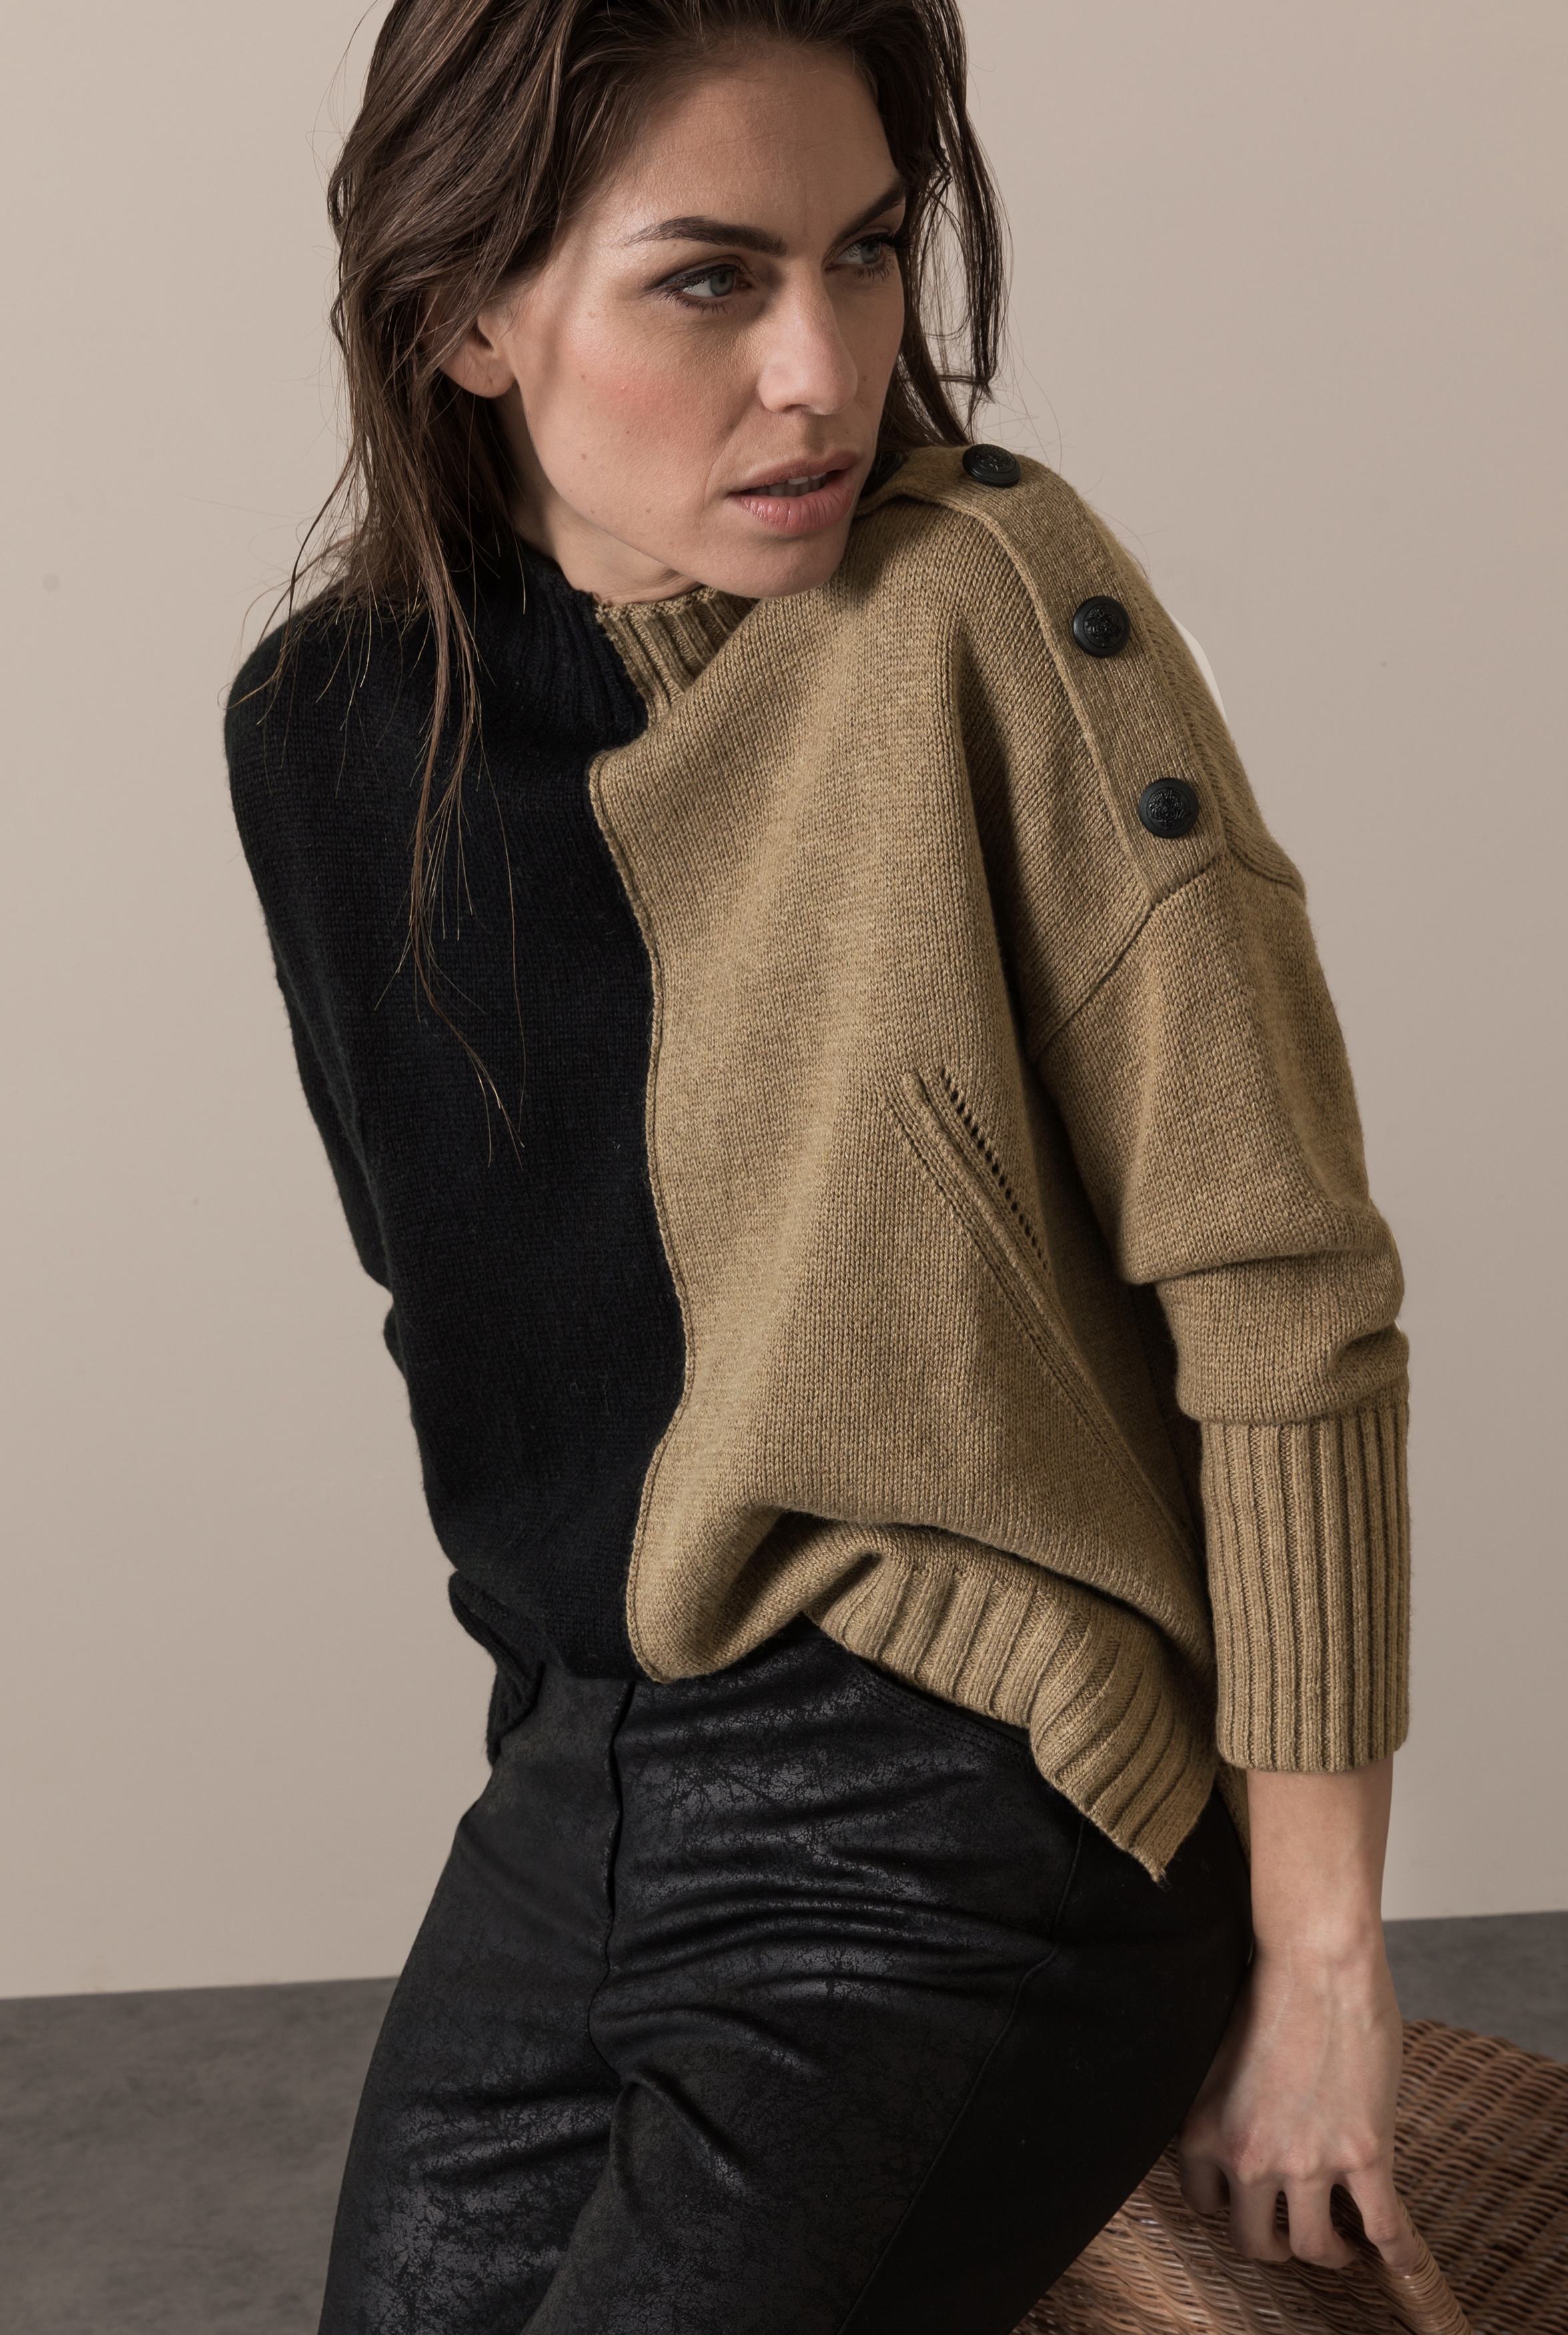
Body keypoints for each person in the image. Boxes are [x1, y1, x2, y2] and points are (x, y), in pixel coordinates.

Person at [225, 3, 1420, 2328]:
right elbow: (480, 1341)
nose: (821, 370)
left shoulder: (988, 601)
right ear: (464, 313)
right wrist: (576, 1809)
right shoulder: (328, 731)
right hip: (584, 1782)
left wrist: (1319, 1960)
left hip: (973, 1785)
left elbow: (1280, 1283)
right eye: (711, 277)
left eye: (864, 253)